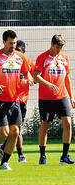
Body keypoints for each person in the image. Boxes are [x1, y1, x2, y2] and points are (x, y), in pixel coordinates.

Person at [0, 30, 33, 170]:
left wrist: (30, 78)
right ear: (4, 42)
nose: (13, 46)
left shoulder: (20, 57)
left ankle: (4, 163)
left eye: (14, 43)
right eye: (10, 43)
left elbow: (26, 71)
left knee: (15, 132)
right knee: (4, 132)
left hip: (14, 100)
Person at [34, 34, 75, 165]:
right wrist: (49, 84)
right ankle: (42, 156)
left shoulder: (64, 58)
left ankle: (64, 156)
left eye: (61, 48)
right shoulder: (42, 57)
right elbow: (36, 77)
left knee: (68, 123)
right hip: (46, 98)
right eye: (57, 47)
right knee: (45, 126)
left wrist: (71, 96)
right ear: (52, 44)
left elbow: (67, 77)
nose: (59, 50)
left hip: (62, 96)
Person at [0, 40, 34, 163]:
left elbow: (34, 76)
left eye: (18, 51)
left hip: (22, 99)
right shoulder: (5, 61)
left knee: (17, 129)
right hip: (10, 99)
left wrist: (30, 79)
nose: (15, 53)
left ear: (23, 52)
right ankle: (17, 153)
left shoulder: (26, 62)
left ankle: (14, 152)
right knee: (10, 129)